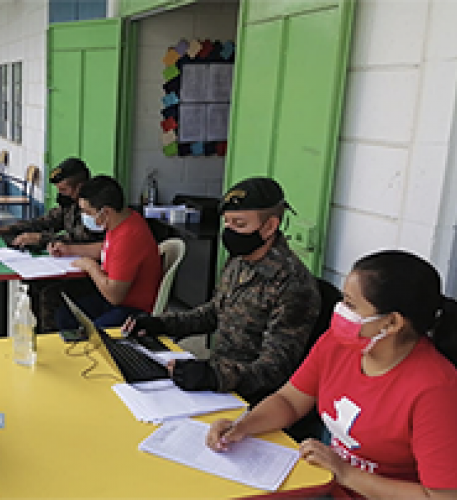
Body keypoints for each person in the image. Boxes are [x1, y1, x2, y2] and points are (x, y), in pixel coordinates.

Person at [206, 250, 457, 500]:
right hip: (325, 485)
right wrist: (243, 426)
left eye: (350, 304)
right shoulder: (338, 344)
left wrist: (346, 474)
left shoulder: (435, 390)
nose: (339, 311)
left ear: (391, 323)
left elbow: (442, 496)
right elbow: (290, 401)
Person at [125, 177, 320, 405]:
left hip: (253, 399)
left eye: (239, 224)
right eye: (227, 223)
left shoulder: (292, 284)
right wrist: (160, 324)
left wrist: (215, 377)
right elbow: (214, 313)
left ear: (269, 226)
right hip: (218, 383)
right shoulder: (240, 261)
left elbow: (275, 369)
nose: (230, 232)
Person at [0, 158, 105, 333]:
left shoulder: (94, 208)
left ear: (80, 187)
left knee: (49, 293)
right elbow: (44, 222)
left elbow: (81, 241)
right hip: (69, 266)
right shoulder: (70, 205)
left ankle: (51, 338)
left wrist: (40, 239)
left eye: (64, 189)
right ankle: (37, 334)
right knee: (33, 283)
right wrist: (2, 229)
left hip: (92, 274)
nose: (61, 194)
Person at [55, 175, 162, 329]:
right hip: (115, 300)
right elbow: (107, 248)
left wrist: (91, 266)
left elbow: (114, 296)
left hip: (131, 309)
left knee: (96, 333)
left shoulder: (129, 236)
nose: (85, 217)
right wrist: (69, 249)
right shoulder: (123, 220)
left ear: (105, 212)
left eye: (88, 212)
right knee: (64, 314)